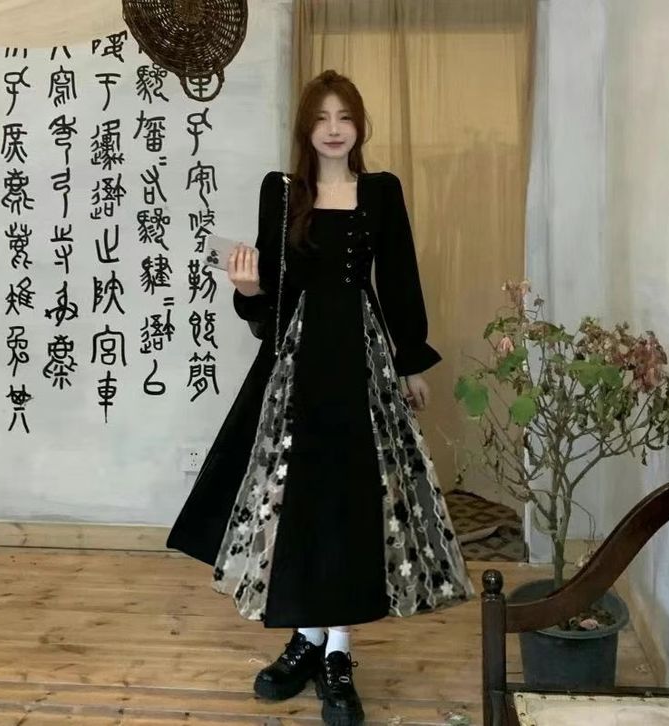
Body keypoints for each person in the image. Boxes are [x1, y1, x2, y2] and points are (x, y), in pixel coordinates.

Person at [166, 69, 475, 726]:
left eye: (345, 117)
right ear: (306, 128)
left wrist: (411, 363)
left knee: (351, 501)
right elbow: (272, 298)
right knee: (300, 501)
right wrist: (248, 289)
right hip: (297, 367)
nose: (334, 129)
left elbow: (400, 279)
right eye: (321, 118)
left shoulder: (382, 191)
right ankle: (308, 640)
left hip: (361, 364)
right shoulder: (281, 193)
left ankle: (337, 652)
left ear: (359, 124)